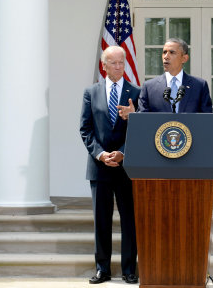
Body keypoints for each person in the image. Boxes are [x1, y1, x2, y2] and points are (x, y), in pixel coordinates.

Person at [80, 45, 139, 285]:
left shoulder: (136, 92)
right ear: (104, 65)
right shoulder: (90, 92)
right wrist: (101, 154)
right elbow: (85, 129)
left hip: (127, 168)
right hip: (100, 168)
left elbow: (141, 130)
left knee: (129, 221)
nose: (119, 67)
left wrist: (123, 153)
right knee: (101, 221)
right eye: (113, 63)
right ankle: (102, 269)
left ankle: (128, 270)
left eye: (122, 62)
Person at [117, 38, 213, 123]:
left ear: (184, 58)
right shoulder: (149, 87)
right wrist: (133, 116)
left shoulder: (199, 86)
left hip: (191, 148)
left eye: (172, 52)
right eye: (164, 52)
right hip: (158, 148)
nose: (166, 56)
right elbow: (143, 122)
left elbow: (206, 120)